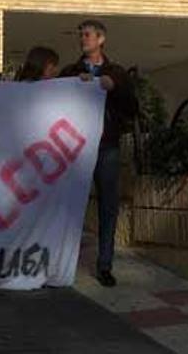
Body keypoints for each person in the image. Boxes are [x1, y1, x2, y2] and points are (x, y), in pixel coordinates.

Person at [60, 19, 138, 288]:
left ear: (101, 39)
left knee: (108, 206)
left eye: (88, 35)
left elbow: (132, 107)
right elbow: (55, 102)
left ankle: (105, 265)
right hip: (76, 149)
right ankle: (62, 263)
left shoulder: (117, 72)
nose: (83, 39)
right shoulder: (70, 71)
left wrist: (113, 88)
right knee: (69, 205)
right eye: (81, 35)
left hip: (106, 146)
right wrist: (74, 85)